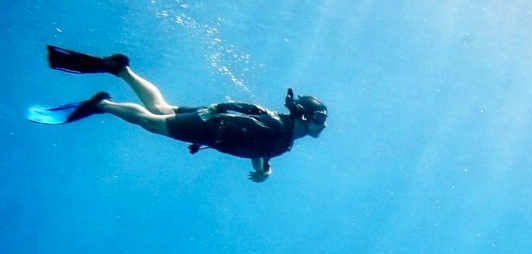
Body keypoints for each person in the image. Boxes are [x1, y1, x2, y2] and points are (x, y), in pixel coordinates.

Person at [28, 45, 328, 182]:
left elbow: (257, 143)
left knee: (160, 108)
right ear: (304, 115)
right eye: (319, 118)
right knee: (151, 122)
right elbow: (245, 116)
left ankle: (121, 69)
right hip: (210, 127)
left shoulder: (284, 136)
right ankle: (102, 104)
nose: (322, 125)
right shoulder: (279, 128)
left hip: (211, 124)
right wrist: (217, 111)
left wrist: (263, 170)